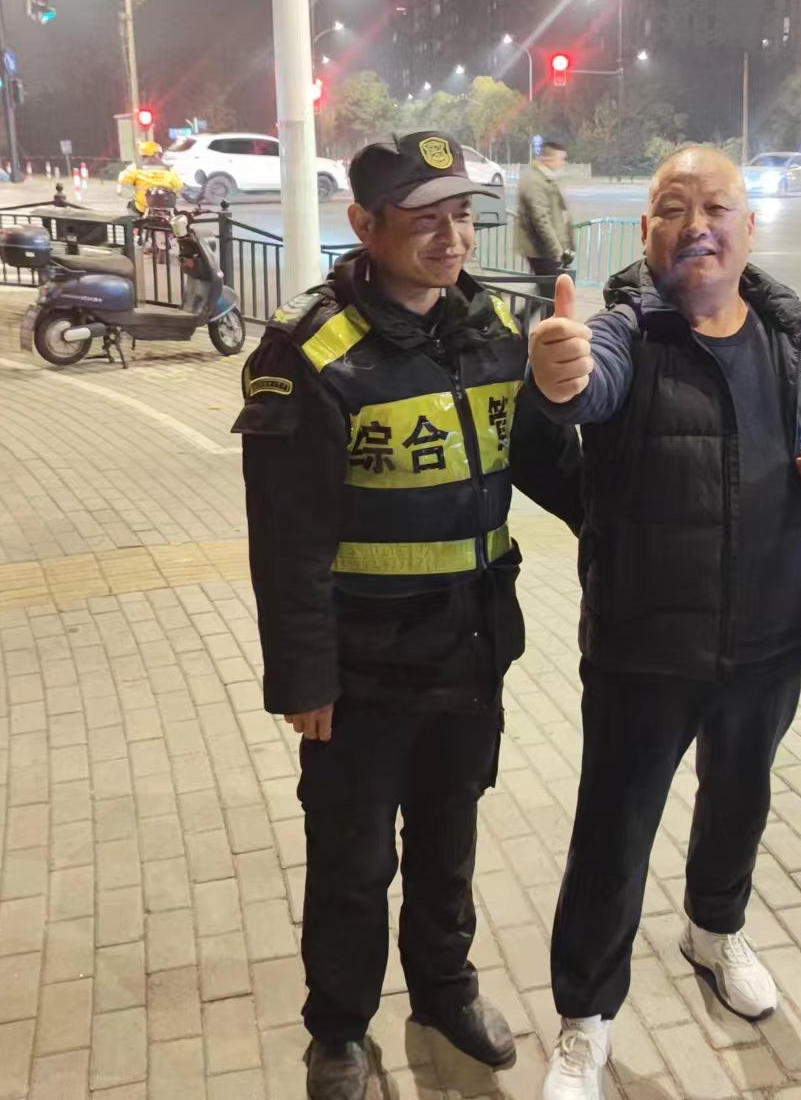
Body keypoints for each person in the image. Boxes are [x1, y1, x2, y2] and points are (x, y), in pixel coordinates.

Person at [526, 145, 801, 1100]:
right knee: (613, 835)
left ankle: (715, 931)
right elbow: (583, 387)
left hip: (771, 637)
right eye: (674, 208)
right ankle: (585, 1019)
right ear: (647, 232)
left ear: (748, 228)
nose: (697, 226)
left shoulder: (798, 340)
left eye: (716, 207)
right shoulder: (625, 334)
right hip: (646, 648)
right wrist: (557, 375)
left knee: (739, 802)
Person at [236, 130, 581, 1100]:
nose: (451, 237)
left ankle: (443, 990)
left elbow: (541, 464)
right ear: (364, 223)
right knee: (351, 864)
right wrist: (303, 680)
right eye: (424, 218)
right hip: (360, 673)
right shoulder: (310, 353)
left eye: (462, 214)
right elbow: (287, 540)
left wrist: (567, 405)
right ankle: (338, 1029)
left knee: (446, 842)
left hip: (470, 652)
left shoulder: (491, 330)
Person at [514, 138, 574, 298]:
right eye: (561, 159)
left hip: (547, 250)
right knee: (551, 294)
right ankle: (528, 314)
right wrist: (557, 251)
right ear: (549, 158)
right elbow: (541, 220)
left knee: (546, 293)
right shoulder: (534, 181)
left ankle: (526, 313)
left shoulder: (546, 178)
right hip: (540, 250)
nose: (563, 163)